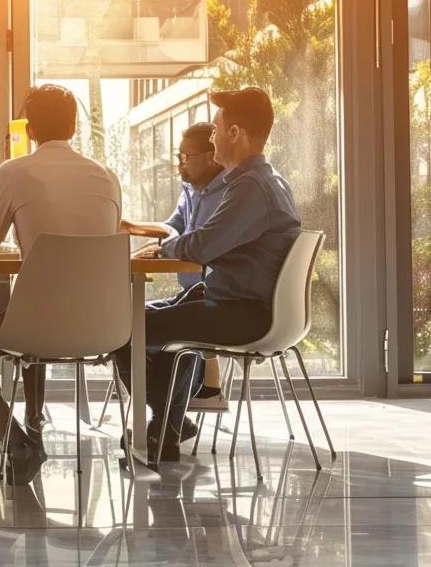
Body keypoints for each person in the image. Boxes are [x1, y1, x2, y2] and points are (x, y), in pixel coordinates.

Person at [0, 84, 123, 482]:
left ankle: (18, 441)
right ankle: (34, 420)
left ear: (29, 128)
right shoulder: (107, 176)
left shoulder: (15, 172)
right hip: (104, 325)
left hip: (37, 322)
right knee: (31, 319)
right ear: (74, 126)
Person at [120, 87, 301, 462]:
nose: (213, 135)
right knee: (149, 323)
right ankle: (166, 430)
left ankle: (163, 427)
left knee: (122, 329)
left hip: (243, 312)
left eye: (217, 129)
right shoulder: (262, 181)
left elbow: (202, 245)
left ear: (235, 134)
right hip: (238, 302)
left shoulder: (251, 187)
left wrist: (163, 248)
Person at [122, 121, 228, 410]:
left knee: (135, 328)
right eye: (177, 157)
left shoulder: (231, 193)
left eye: (185, 157)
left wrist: (159, 252)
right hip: (192, 293)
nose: (179, 165)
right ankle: (175, 405)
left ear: (211, 155)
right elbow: (174, 228)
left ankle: (169, 410)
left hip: (214, 295)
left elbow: (200, 243)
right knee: (127, 320)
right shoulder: (191, 190)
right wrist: (132, 228)